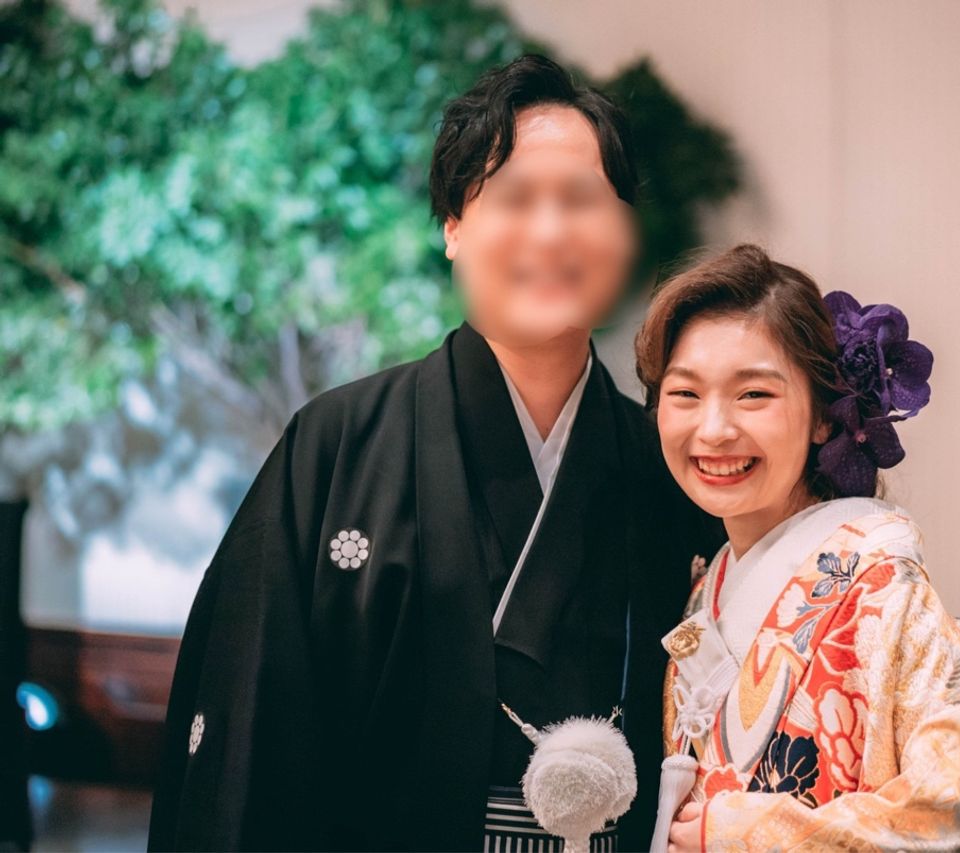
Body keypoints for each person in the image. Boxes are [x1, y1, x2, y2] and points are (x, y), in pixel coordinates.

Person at [148, 54, 721, 852]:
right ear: (454, 226)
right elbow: (249, 724)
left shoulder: (667, 464)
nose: (550, 230)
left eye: (581, 200)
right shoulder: (334, 447)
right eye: (515, 197)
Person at [637, 244, 960, 851]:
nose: (712, 429)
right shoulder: (704, 591)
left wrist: (753, 836)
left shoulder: (883, 589)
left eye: (753, 395)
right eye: (685, 394)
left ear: (825, 416)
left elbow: (959, 812)